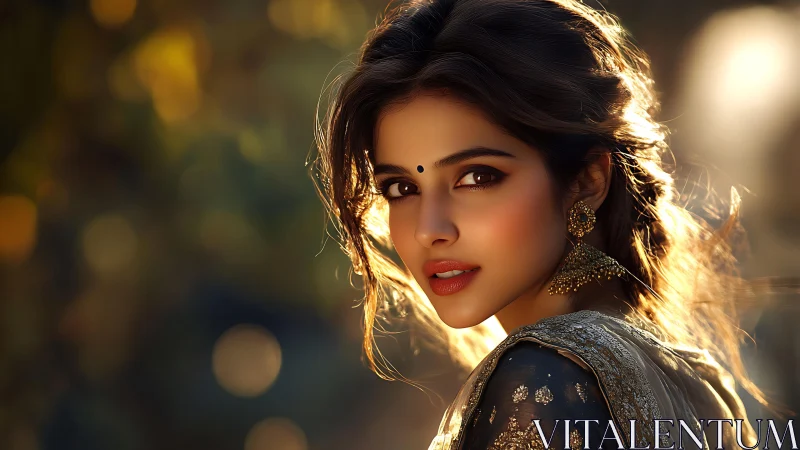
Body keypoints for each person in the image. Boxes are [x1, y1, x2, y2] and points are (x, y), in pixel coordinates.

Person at [309, 0, 792, 448]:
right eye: (402, 188)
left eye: (477, 177)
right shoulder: (687, 376)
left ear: (586, 180)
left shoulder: (542, 381)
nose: (428, 229)